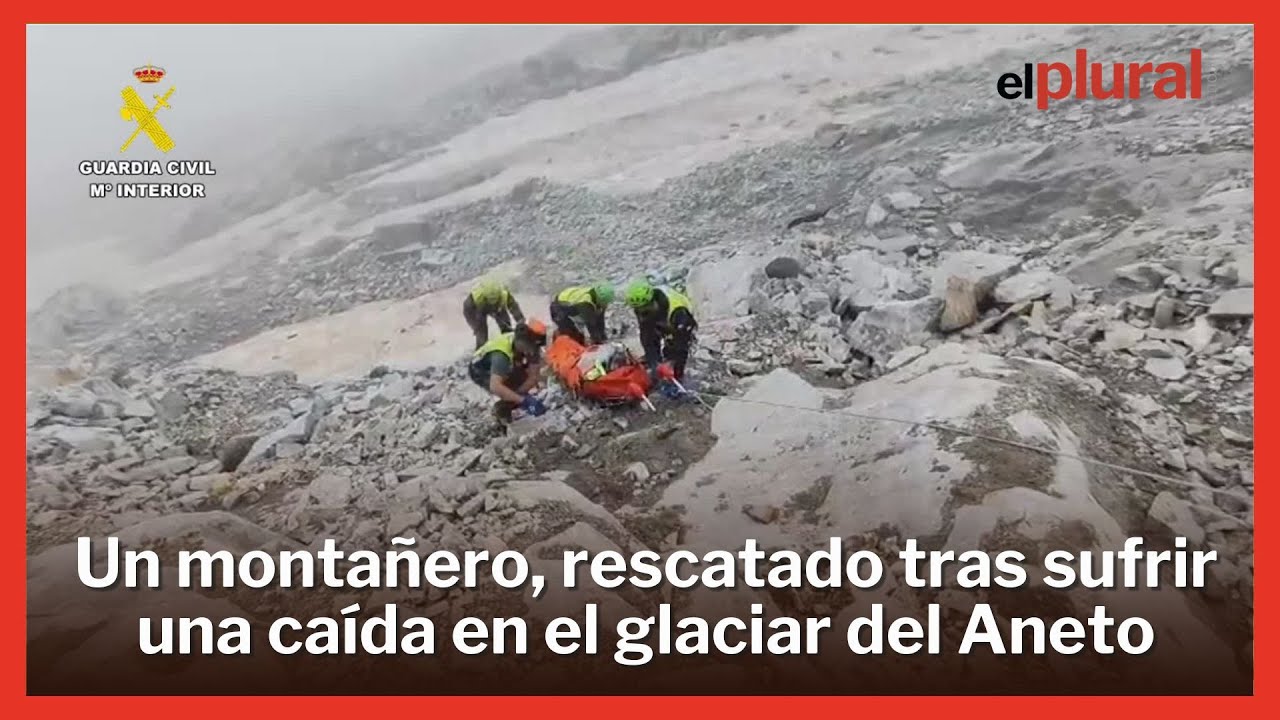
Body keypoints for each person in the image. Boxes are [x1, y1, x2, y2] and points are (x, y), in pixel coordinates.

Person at [623, 279, 698, 398]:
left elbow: (681, 343)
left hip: (679, 325)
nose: (642, 314)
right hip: (660, 317)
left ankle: (677, 381)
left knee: (674, 351)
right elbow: (647, 338)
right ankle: (660, 374)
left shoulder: (678, 311)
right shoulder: (643, 310)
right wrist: (655, 363)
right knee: (652, 346)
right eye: (639, 310)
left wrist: (671, 363)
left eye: (645, 310)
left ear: (653, 302)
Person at [468, 319, 549, 425]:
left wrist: (522, 394)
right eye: (530, 347)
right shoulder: (501, 355)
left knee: (516, 388)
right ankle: (502, 415)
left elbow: (534, 375)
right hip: (480, 370)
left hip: (510, 360)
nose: (532, 352)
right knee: (506, 390)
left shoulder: (531, 347)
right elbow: (495, 386)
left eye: (535, 348)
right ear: (521, 341)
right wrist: (523, 401)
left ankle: (511, 402)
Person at [463, 280, 526, 349]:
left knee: (506, 326)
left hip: (497, 306)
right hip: (477, 309)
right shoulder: (475, 299)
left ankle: (510, 344)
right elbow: (477, 319)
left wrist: (520, 321)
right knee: (481, 333)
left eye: (495, 300)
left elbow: (514, 307)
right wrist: (478, 330)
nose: (493, 302)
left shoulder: (504, 294)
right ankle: (480, 349)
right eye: (491, 300)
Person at [549, 282, 615, 346]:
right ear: (600, 299)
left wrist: (604, 338)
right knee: (575, 338)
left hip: (571, 307)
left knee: (586, 335)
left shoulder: (597, 299)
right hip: (558, 308)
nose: (606, 305)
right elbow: (591, 324)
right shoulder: (585, 302)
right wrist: (598, 343)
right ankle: (557, 338)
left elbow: (600, 320)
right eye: (605, 303)